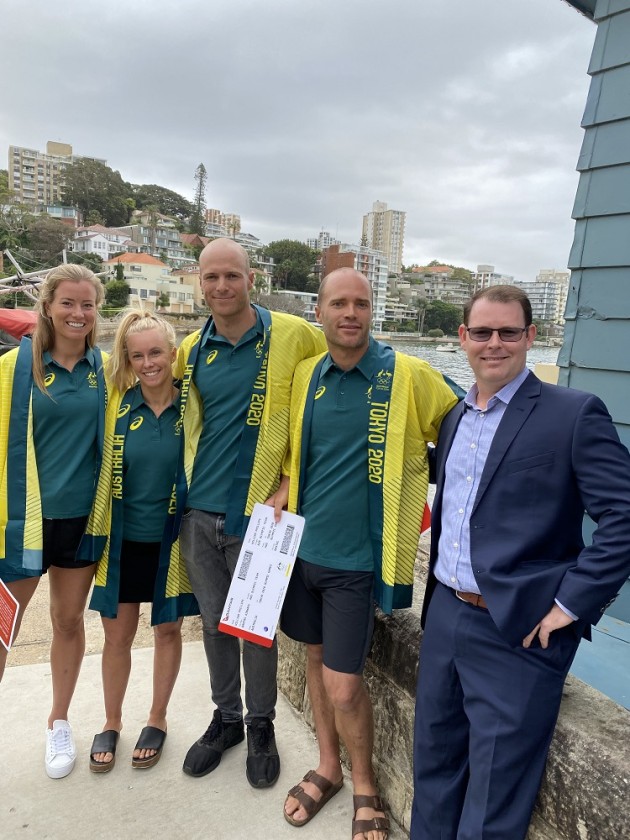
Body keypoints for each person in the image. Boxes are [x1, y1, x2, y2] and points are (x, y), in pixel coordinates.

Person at [410, 285, 630, 840]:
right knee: (433, 767)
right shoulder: (456, 416)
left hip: (520, 633)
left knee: (492, 802)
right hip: (444, 618)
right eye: (481, 332)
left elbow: (624, 514)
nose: (495, 343)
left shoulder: (574, 413)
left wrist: (568, 604)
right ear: (462, 339)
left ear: (531, 337)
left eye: (509, 332)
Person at [279, 268, 458, 840]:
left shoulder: (409, 373)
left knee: (345, 684)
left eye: (360, 302)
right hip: (300, 552)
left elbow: (464, 433)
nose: (350, 312)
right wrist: (282, 488)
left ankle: (365, 786)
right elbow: (299, 453)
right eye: (338, 303)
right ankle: (327, 767)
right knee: (312, 659)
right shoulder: (308, 373)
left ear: (371, 311)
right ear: (320, 313)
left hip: (357, 561)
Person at [173, 237, 327, 788]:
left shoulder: (293, 334)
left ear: (251, 278)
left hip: (262, 512)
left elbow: (342, 373)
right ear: (199, 281)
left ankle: (262, 723)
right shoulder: (191, 349)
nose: (220, 287)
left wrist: (291, 479)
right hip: (199, 510)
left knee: (256, 627)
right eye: (210, 277)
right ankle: (228, 718)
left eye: (231, 276)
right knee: (215, 624)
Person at [0, 263, 108, 778]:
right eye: (68, 303)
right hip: (22, 519)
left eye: (87, 304)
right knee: (3, 625)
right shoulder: (13, 367)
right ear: (46, 306)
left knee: (67, 622)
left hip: (81, 520)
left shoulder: (107, 371)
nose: (78, 313)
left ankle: (58, 720)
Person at [87, 310, 198, 773]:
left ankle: (157, 716)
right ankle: (111, 721)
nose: (149, 363)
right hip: (123, 541)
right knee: (117, 637)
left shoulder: (194, 407)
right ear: (128, 361)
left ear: (173, 355)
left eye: (156, 353)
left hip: (172, 541)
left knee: (167, 630)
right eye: (138, 355)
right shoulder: (118, 406)